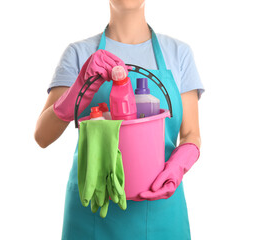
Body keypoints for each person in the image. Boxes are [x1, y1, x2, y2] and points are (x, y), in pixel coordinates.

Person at [34, 0, 205, 239]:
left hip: (162, 211)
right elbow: (42, 136)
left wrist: (180, 163)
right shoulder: (78, 53)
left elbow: (191, 135)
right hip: (93, 211)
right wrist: (79, 88)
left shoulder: (179, 54)